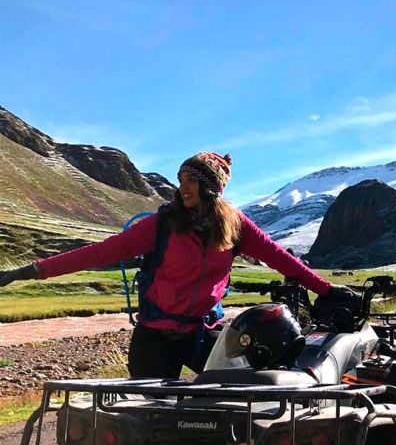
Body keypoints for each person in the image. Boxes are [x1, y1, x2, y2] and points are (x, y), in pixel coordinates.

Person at [0, 151, 359, 379]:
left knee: (231, 408)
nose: (182, 188)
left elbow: (279, 257)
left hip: (203, 335)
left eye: (191, 181)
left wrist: (326, 290)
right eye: (181, 181)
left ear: (211, 187)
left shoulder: (235, 225)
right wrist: (30, 271)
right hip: (154, 337)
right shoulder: (162, 224)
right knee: (149, 424)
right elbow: (100, 253)